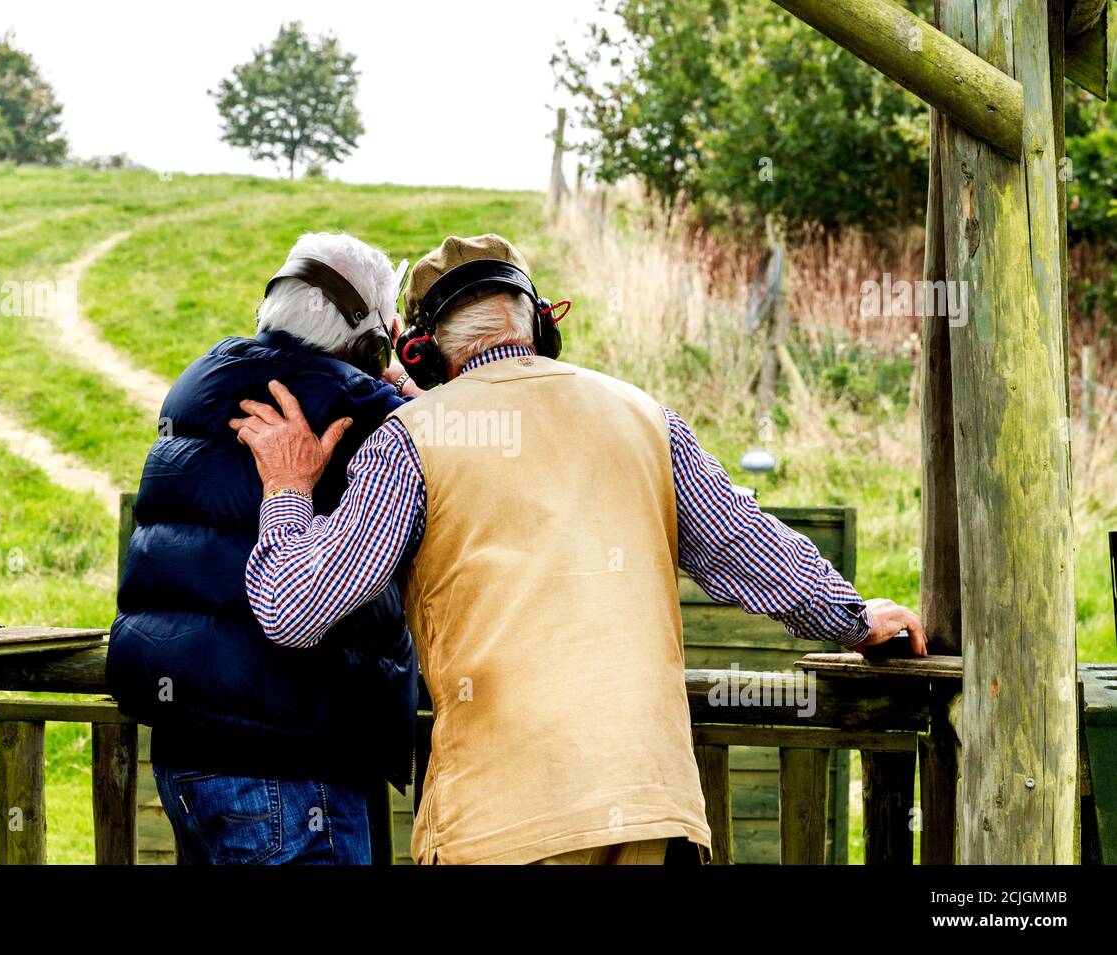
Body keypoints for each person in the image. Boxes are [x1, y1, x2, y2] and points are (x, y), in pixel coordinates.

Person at [233, 233, 927, 865]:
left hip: (500, 826)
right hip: (655, 810)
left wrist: (289, 488)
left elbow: (295, 607)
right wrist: (856, 616)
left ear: (418, 350)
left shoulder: (410, 439)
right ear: (540, 322)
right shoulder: (645, 417)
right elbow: (748, 547)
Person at [106, 232, 417, 864]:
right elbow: (467, 452)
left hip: (188, 755)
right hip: (289, 769)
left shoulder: (203, 380)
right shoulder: (363, 409)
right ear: (371, 342)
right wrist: (410, 393)